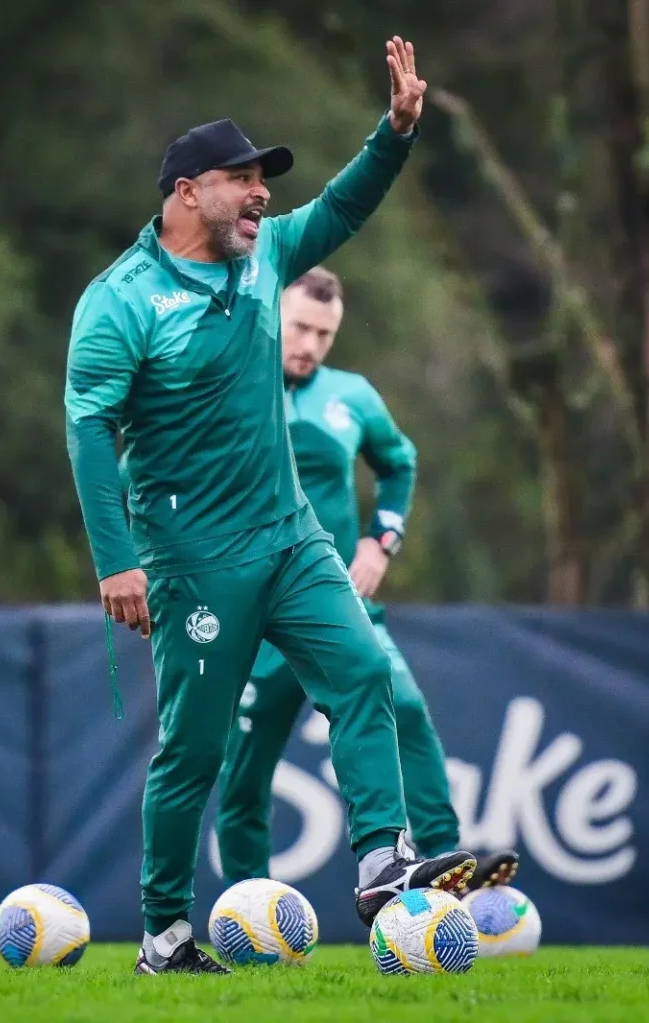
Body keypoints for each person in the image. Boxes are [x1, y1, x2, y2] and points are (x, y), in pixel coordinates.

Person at [65, 37, 478, 976]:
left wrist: (396, 134)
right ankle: (166, 931)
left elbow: (340, 206)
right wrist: (115, 558)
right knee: (194, 753)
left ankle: (382, 859)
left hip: (293, 539)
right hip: (193, 558)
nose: (260, 194)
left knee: (364, 670)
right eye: (240, 178)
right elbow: (89, 432)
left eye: (262, 180)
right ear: (184, 192)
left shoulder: (269, 256)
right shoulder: (120, 301)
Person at [213, 266, 521, 888]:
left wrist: (381, 544)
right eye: (300, 327)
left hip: (333, 600)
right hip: (254, 616)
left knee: (402, 704)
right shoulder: (229, 383)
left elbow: (399, 463)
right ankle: (245, 906)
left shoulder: (351, 395)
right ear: (274, 314)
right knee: (245, 774)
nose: (309, 344)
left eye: (324, 335)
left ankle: (444, 859)